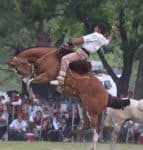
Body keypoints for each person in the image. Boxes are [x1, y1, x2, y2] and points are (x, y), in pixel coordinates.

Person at [50, 24, 116, 86]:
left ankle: (61, 80)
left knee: (64, 59)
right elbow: (108, 41)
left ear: (99, 29)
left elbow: (82, 39)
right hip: (85, 54)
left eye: (96, 27)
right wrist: (112, 32)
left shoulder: (96, 35)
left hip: (81, 53)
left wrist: (70, 42)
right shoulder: (102, 39)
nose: (94, 28)